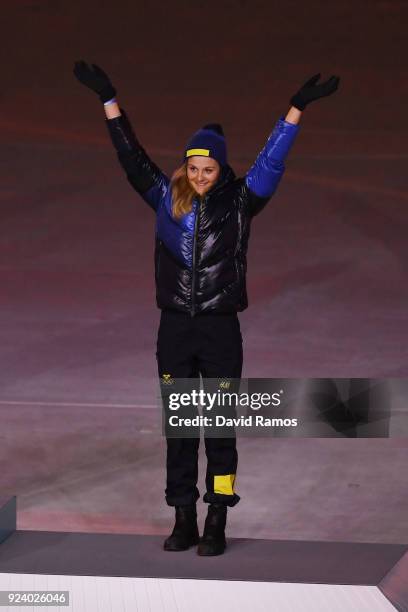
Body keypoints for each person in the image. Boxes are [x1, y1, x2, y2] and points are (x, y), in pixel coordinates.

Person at [73, 61, 340, 555]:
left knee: (217, 429)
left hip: (219, 331)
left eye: (208, 169)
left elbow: (271, 162)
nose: (198, 177)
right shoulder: (163, 197)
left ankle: (217, 517)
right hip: (175, 329)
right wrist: (108, 99)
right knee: (179, 431)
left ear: (222, 170)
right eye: (192, 168)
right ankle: (182, 516)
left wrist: (296, 108)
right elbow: (131, 157)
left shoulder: (241, 201)